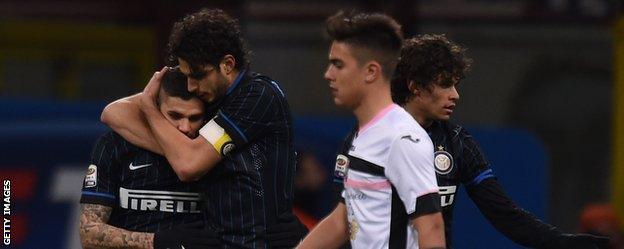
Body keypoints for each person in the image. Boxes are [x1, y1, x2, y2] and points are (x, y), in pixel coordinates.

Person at [100, 8, 306, 248]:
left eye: (197, 75)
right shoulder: (207, 94)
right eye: (186, 75)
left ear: (227, 64)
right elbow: (112, 112)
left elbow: (188, 165)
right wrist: (178, 148)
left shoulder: (258, 96)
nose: (190, 85)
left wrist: (149, 108)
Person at [390, 33, 610, 249]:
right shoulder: (372, 142)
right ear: (415, 86)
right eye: (446, 84)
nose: (455, 95)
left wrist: (561, 242)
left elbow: (504, 214)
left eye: (455, 85)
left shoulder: (457, 142)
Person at [297, 11, 446, 249]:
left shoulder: (402, 138)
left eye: (338, 64)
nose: (328, 74)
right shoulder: (361, 136)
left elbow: (431, 227)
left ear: (371, 72)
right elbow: (342, 221)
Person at [79, 69, 219, 249]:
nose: (185, 127)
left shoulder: (215, 155)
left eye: (194, 118)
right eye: (175, 115)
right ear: (155, 108)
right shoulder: (115, 146)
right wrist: (156, 241)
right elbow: (88, 234)